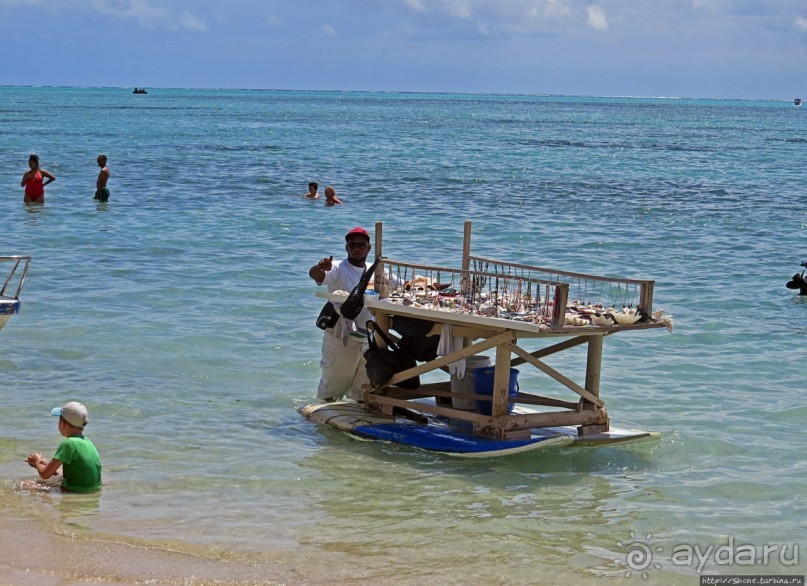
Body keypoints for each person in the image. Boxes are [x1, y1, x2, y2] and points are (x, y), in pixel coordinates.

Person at [308, 227, 378, 402]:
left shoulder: (376, 270)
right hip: (340, 332)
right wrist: (320, 267)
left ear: (368, 248)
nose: (356, 248)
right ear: (346, 247)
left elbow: (404, 284)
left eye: (361, 245)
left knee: (364, 384)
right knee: (333, 382)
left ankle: (359, 411)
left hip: (367, 335)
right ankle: (322, 418)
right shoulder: (338, 267)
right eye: (352, 244)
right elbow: (315, 275)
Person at [26, 401, 102, 493]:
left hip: (75, 491)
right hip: (93, 489)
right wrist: (47, 464)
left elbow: (44, 475)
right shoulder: (87, 442)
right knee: (58, 477)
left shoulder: (68, 444)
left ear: (62, 423)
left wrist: (36, 462)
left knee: (25, 485)